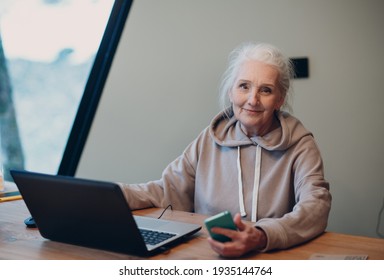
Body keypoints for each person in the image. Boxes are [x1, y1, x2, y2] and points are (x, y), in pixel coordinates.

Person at [119, 42, 331, 257]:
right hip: (210, 256)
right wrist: (112, 194)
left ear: (279, 100)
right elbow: (166, 190)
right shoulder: (210, 138)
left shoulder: (300, 144)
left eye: (265, 90)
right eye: (244, 86)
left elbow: (316, 205)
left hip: (269, 258)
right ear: (231, 92)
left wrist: (261, 235)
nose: (252, 100)